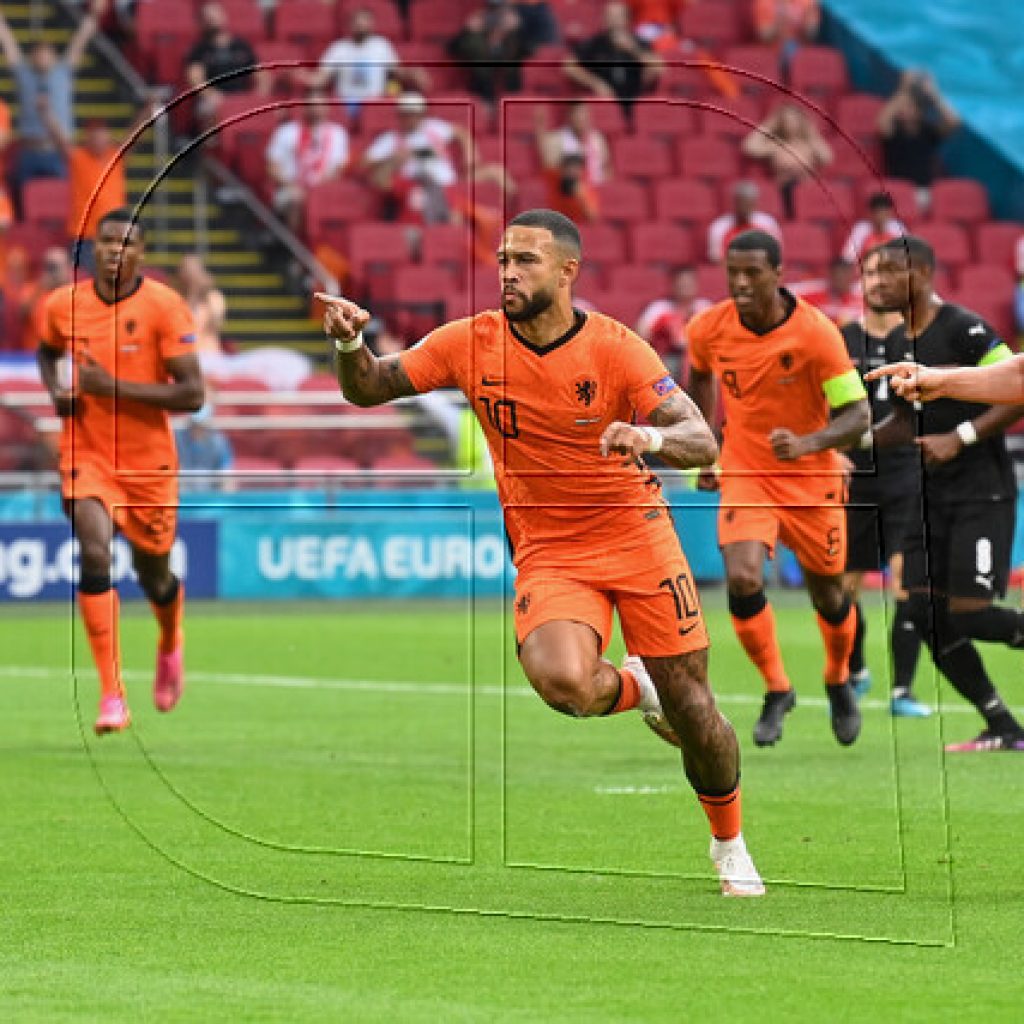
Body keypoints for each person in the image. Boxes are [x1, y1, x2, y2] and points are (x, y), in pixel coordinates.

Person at [316, 208, 765, 897]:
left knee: (697, 712)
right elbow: (371, 387)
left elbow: (702, 439)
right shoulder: (471, 341)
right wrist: (351, 346)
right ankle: (639, 688)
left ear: (567, 271)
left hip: (637, 535)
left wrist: (645, 440)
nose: (508, 272)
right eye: (502, 260)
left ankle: (729, 844)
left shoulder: (616, 348)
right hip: (551, 549)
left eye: (525, 260)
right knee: (564, 685)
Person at [687, 229, 870, 748]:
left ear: (778, 274)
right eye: (732, 273)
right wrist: (704, 442)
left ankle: (837, 679)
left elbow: (858, 415)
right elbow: (698, 376)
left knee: (830, 594)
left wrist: (812, 441)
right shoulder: (709, 328)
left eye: (752, 274)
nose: (740, 283)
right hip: (745, 469)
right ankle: (778, 687)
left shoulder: (816, 335)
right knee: (743, 579)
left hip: (811, 478)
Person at [36, 208, 205, 735]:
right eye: (106, 242)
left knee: (154, 575)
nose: (115, 250)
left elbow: (192, 394)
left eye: (126, 243)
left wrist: (108, 385)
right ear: (94, 250)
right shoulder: (61, 305)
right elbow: (47, 353)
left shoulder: (164, 307)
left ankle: (170, 639)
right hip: (86, 453)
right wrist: (58, 392)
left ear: (141, 253)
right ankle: (113, 695)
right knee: (93, 550)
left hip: (148, 463)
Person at [863, 236, 1024, 752]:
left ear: (924, 273)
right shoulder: (893, 345)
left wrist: (963, 436)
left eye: (888, 271)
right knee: (922, 613)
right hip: (928, 496)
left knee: (972, 612)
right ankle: (1002, 725)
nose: (876, 283)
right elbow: (904, 422)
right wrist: (843, 441)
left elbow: (1014, 383)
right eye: (870, 273)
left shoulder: (964, 327)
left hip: (982, 490)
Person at [840, 245, 927, 716]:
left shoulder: (914, 341)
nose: (881, 283)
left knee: (904, 581)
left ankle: (903, 692)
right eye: (874, 274)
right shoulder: (841, 337)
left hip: (903, 477)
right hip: (855, 476)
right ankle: (855, 669)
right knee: (845, 585)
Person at [37, 92, 162, 272]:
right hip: (84, 235)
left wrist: (146, 112)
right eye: (93, 134)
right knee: (86, 282)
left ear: (108, 136)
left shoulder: (115, 156)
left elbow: (135, 135)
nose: (97, 138)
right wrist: (46, 113)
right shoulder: (78, 157)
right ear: (87, 137)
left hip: (115, 232)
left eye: (101, 133)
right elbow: (59, 140)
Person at [0, 0, 104, 201]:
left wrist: (94, 15)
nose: (42, 58)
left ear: (54, 56)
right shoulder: (24, 74)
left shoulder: (63, 72)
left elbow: (80, 40)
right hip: (30, 149)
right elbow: (8, 43)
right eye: (38, 54)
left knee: (65, 199)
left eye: (46, 53)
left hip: (58, 150)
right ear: (31, 57)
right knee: (22, 200)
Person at [313, 6, 427, 118]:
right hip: (346, 102)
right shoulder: (339, 47)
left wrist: (413, 74)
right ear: (349, 25)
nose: (360, 25)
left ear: (372, 24)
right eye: (357, 21)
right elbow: (321, 78)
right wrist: (303, 77)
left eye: (364, 21)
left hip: (375, 102)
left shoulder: (382, 45)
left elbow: (398, 73)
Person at [265, 88, 350, 233]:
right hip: (290, 188)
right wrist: (291, 185)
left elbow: (339, 169)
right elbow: (272, 168)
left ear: (327, 107)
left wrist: (316, 191)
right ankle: (296, 248)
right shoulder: (286, 131)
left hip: (324, 189)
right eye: (312, 105)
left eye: (320, 105)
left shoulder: (338, 133)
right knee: (296, 200)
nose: (316, 109)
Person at [563, 1, 664, 117]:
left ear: (627, 20)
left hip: (634, 102)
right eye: (611, 17)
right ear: (604, 20)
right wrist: (596, 84)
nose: (615, 21)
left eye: (618, 17)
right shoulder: (595, 43)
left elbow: (658, 67)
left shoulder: (639, 43)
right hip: (603, 105)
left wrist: (633, 49)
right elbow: (569, 65)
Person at [877, 70, 960, 211]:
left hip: (923, 192)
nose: (904, 110)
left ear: (919, 111)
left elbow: (954, 122)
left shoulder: (927, 131)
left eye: (910, 106)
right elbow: (882, 122)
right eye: (903, 106)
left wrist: (935, 94)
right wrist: (903, 89)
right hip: (897, 192)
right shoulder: (894, 132)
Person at [741, 102, 832, 218]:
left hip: (808, 194)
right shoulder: (775, 145)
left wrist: (811, 131)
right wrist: (769, 125)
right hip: (782, 193)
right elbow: (749, 147)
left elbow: (827, 157)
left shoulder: (808, 145)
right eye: (787, 119)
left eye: (795, 119)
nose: (791, 124)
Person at [185, 2, 269, 125]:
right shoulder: (199, 50)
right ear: (202, 22)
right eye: (208, 17)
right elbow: (196, 80)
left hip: (241, 98)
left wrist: (257, 96)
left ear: (224, 16)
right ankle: (214, 144)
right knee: (209, 111)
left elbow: (262, 75)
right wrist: (214, 96)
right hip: (215, 99)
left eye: (215, 15)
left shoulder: (242, 46)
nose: (212, 19)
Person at [448, 1, 530, 106]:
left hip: (510, 95)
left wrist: (519, 29)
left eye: (499, 14)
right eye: (491, 13)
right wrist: (467, 31)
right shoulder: (475, 38)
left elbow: (532, 50)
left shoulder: (514, 37)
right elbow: (452, 49)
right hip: (481, 96)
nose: (495, 20)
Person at [635, 266, 711, 378]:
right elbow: (641, 332)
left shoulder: (704, 307)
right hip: (669, 358)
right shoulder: (660, 307)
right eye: (681, 283)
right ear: (673, 285)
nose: (685, 287)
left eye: (688, 283)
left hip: (699, 358)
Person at [707, 181, 781, 265]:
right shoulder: (720, 226)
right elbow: (716, 258)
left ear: (754, 203)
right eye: (741, 203)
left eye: (748, 204)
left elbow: (775, 254)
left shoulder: (768, 224)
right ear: (735, 202)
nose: (744, 208)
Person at [174, 253, 228, 365]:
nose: (189, 276)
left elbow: (214, 324)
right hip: (184, 357)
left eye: (192, 271)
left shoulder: (213, 297)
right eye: (185, 271)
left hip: (208, 355)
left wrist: (197, 294)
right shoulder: (176, 298)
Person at [790, 257, 862, 328]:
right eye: (839, 275)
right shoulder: (810, 294)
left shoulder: (861, 299)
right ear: (831, 275)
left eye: (846, 275)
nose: (843, 279)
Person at [841, 192, 906, 265]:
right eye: (879, 213)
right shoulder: (861, 228)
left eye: (885, 213)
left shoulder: (897, 227)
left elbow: (908, 253)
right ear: (871, 213)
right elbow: (848, 257)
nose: (882, 217)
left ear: (891, 213)